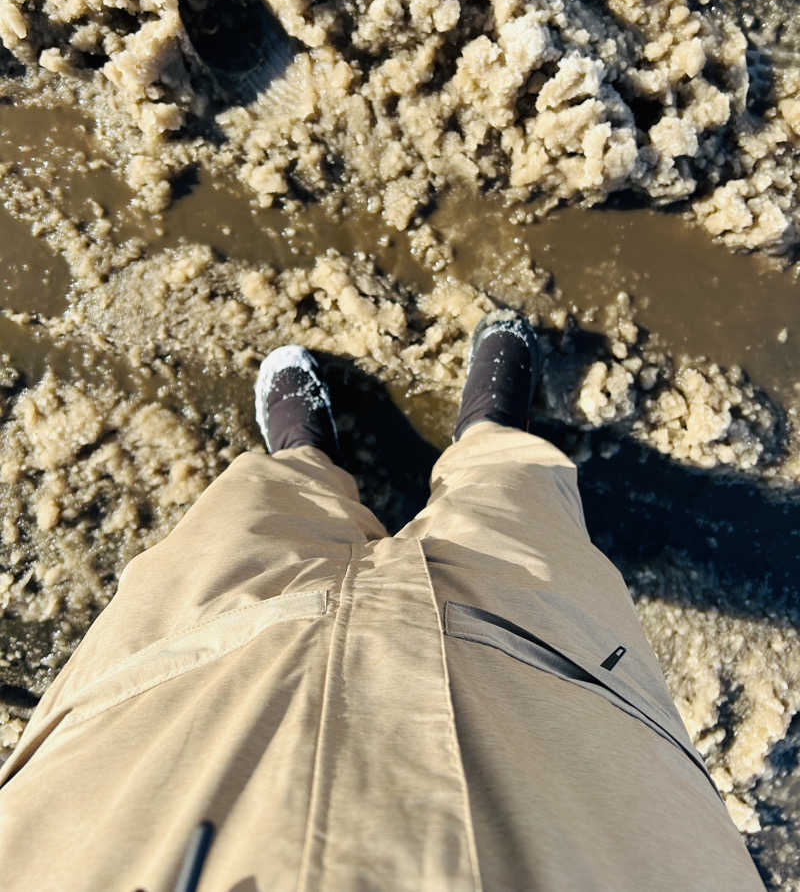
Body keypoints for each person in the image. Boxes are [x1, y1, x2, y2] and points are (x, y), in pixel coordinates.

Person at [0, 314, 764, 891]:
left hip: (164, 741)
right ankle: (494, 438)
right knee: (521, 536)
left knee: (237, 538)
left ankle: (303, 462)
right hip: (551, 762)